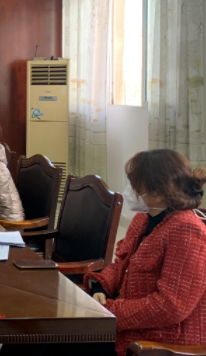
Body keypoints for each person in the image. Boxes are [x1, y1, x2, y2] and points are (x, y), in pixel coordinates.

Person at [83, 149, 206, 356]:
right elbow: (121, 263)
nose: (130, 190)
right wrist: (101, 286)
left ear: (158, 192)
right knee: (46, 339)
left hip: (158, 340)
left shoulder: (187, 230)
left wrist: (109, 311)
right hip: (126, 325)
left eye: (135, 184)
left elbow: (172, 306)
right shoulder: (143, 218)